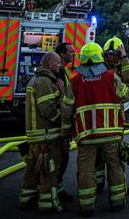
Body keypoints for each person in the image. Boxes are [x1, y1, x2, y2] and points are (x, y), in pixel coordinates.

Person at [62, 42, 129, 216]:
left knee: (86, 169)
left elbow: (66, 109)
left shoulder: (75, 81)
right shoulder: (110, 77)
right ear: (100, 57)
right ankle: (117, 202)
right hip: (111, 134)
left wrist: (65, 132)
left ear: (82, 59)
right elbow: (126, 96)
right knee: (115, 166)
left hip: (86, 136)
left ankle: (87, 205)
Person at [18, 52, 65, 214]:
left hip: (36, 136)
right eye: (58, 62)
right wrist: (63, 121)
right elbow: (47, 109)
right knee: (48, 171)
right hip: (46, 136)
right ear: (50, 64)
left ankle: (26, 199)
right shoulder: (44, 82)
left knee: (32, 170)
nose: (60, 65)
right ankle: (47, 204)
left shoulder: (37, 79)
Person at [92, 37, 129, 191]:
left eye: (114, 54)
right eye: (108, 54)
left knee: (114, 157)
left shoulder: (122, 68)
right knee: (97, 155)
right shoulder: (99, 68)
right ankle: (97, 184)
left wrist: (124, 58)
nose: (111, 57)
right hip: (97, 118)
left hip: (115, 119)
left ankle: (116, 189)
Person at [55, 41, 77, 203]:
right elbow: (63, 95)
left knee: (62, 157)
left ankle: (58, 187)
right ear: (62, 54)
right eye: (70, 52)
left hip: (61, 120)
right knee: (61, 157)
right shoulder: (59, 73)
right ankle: (54, 189)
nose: (73, 54)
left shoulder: (63, 71)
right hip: (59, 122)